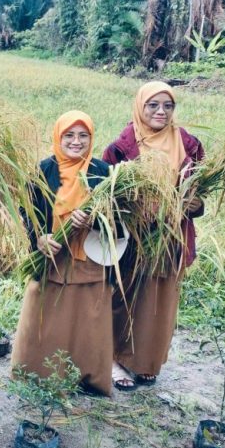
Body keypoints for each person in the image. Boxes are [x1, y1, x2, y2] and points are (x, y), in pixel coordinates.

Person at [103, 81, 204, 391]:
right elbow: (105, 195)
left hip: (172, 237)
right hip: (133, 238)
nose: (161, 111)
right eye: (153, 105)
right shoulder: (121, 147)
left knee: (159, 302)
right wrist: (135, 209)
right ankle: (113, 358)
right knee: (124, 296)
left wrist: (192, 204)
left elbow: (200, 192)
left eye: (168, 106)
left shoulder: (188, 144)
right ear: (140, 106)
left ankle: (146, 361)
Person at [10, 111, 113, 396]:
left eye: (83, 136)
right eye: (69, 135)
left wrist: (95, 220)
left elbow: (118, 215)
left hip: (90, 262)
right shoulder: (43, 170)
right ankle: (35, 375)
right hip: (52, 259)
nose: (76, 141)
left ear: (92, 139)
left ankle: (86, 378)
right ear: (58, 136)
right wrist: (39, 238)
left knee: (87, 322)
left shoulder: (103, 172)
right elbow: (27, 211)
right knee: (45, 318)